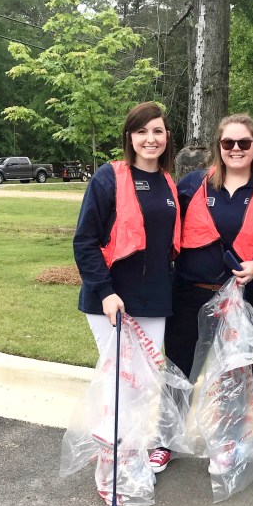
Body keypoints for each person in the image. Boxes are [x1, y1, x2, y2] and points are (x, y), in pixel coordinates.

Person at [157, 113, 253, 473]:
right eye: (228, 142)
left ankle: (229, 443)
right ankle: (165, 440)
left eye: (244, 142)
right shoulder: (192, 185)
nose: (236, 149)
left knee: (234, 374)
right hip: (190, 294)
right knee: (179, 369)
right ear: (218, 146)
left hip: (244, 297)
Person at [73, 99, 180, 389]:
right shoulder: (108, 177)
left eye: (157, 131)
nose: (150, 139)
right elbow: (84, 241)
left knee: (144, 386)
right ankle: (110, 425)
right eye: (141, 131)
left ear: (167, 136)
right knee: (119, 386)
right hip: (111, 300)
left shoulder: (168, 182)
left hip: (154, 301)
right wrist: (105, 292)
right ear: (129, 137)